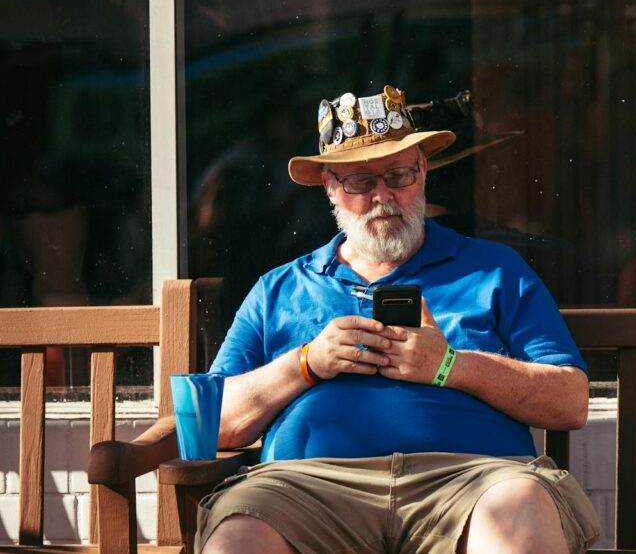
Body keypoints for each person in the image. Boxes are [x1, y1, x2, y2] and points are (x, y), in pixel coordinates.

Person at [197, 86, 600, 554]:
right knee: (240, 533)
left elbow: (570, 401)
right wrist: (306, 363)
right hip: (308, 490)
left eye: (398, 174)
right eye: (360, 183)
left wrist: (450, 365)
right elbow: (212, 425)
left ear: (423, 172)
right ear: (329, 187)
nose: (383, 196)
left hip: (471, 482)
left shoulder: (494, 270)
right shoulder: (279, 289)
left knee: (523, 507)